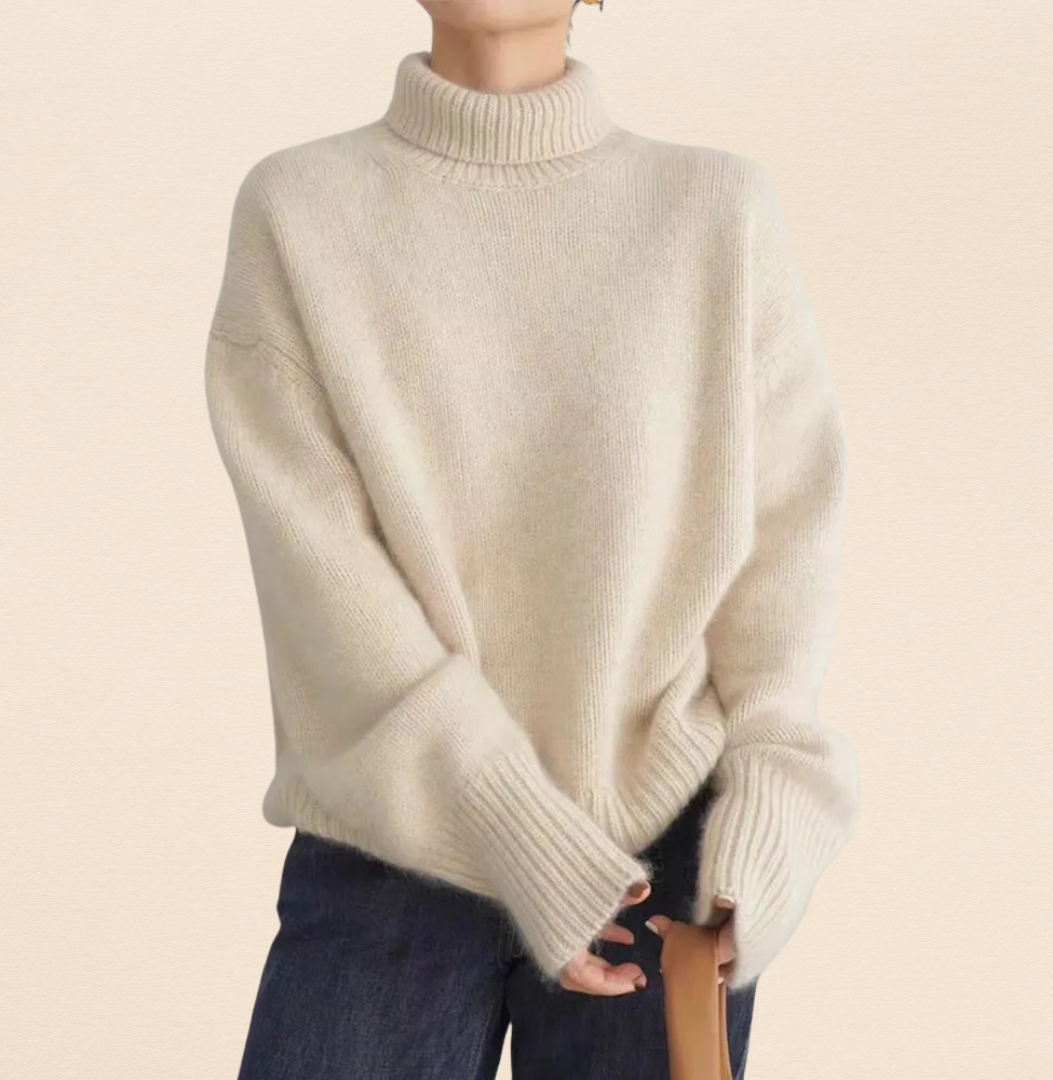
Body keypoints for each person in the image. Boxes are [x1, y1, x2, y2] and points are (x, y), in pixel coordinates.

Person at [203, 1, 861, 1077]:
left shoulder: (713, 211)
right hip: (391, 845)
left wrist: (774, 808)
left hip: (663, 868)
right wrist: (509, 825)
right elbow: (321, 575)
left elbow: (784, 537)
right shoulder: (300, 209)